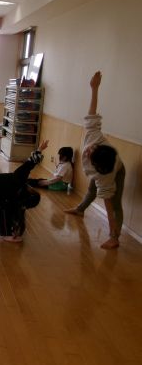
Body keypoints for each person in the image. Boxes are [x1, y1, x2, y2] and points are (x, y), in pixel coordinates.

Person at [65, 71, 125, 249]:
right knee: (91, 189)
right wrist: (94, 88)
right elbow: (92, 113)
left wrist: (112, 235)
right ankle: (80, 210)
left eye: (91, 154)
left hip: (117, 171)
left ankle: (115, 237)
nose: (89, 150)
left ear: (97, 166)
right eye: (93, 149)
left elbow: (108, 205)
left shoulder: (104, 177)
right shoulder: (95, 136)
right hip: (104, 167)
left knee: (115, 203)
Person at [0, 141, 48, 242]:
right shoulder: (19, 179)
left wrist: (16, 228)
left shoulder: (18, 197)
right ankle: (6, 234)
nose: (24, 207)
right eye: (25, 206)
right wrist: (39, 150)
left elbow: (16, 214)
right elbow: (29, 164)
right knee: (1, 207)